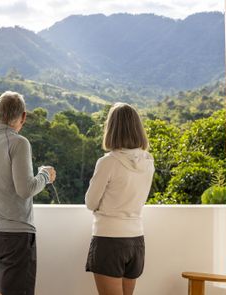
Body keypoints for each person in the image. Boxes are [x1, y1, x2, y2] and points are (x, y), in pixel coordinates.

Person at [0, 91, 56, 295]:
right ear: (23, 117)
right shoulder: (19, 142)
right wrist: (45, 175)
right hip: (15, 236)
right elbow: (25, 190)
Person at [85, 102, 155, 295]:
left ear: (111, 128)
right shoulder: (148, 161)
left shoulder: (108, 162)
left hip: (109, 240)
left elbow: (90, 203)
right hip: (136, 241)